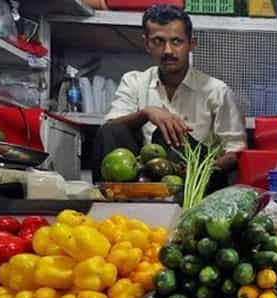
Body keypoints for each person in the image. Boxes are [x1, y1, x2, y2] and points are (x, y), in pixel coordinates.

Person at [94, 4, 246, 181]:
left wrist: (199, 170)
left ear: (191, 44)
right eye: (158, 41)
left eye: (176, 41)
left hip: (195, 179)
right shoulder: (134, 81)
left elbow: (236, 152)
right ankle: (113, 198)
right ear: (147, 44)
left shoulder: (217, 91)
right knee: (110, 131)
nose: (168, 50)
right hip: (144, 177)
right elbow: (111, 128)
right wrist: (147, 113)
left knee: (168, 138)